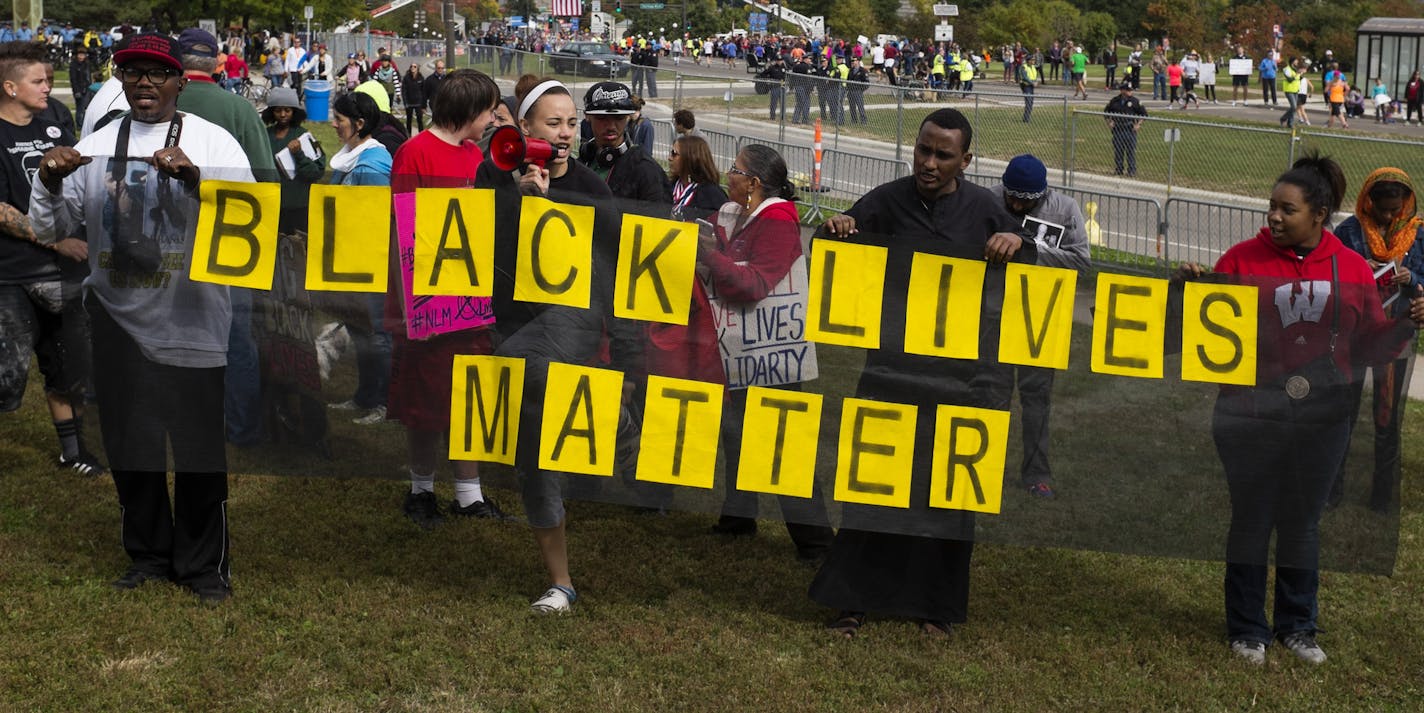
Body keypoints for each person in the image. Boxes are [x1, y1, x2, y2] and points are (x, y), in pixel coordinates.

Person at [1173, 155, 1424, 666]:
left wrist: (1406, 325)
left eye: (1287, 210)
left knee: (1302, 522)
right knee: (1252, 518)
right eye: (1271, 207)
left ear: (1319, 213)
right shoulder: (1241, 260)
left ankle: (1298, 626)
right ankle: (1247, 628)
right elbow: (1199, 338)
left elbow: (1370, 347)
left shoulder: (1352, 268)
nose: (1274, 217)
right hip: (1248, 412)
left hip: (1323, 417)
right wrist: (1185, 295)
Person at [30, 33, 254, 603]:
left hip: (193, 321)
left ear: (181, 81)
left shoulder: (216, 141)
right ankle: (149, 555)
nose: (145, 82)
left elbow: (251, 222)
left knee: (200, 450)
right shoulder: (98, 143)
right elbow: (55, 229)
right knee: (133, 446)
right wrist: (49, 181)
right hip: (118, 320)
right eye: (133, 72)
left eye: (158, 72)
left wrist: (199, 180)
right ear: (121, 80)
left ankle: (204, 566)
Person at [808, 108, 1033, 637]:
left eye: (943, 155)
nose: (929, 163)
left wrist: (1019, 246)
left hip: (960, 380)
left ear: (966, 160)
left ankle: (937, 605)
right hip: (889, 373)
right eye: (923, 150)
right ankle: (852, 599)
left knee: (948, 496)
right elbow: (827, 257)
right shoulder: (884, 202)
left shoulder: (987, 212)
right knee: (873, 488)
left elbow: (1035, 282)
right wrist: (832, 231)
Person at [475, 75, 643, 612]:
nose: (566, 133)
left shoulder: (593, 189)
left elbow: (616, 269)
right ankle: (561, 583)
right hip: (513, 320)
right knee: (534, 459)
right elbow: (481, 245)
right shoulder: (493, 173)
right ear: (523, 127)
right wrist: (519, 202)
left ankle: (610, 413)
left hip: (570, 322)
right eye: (553, 123)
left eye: (572, 122)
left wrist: (626, 348)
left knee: (527, 371)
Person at [386, 70, 506, 527]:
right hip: (427, 304)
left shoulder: (477, 155)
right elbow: (402, 233)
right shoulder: (413, 153)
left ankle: (468, 494)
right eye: (489, 110)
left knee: (469, 395)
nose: (494, 118)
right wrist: (409, 307)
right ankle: (421, 490)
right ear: (470, 110)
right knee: (424, 403)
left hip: (470, 301)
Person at [705, 144, 834, 562]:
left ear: (754, 183)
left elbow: (754, 286)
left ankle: (815, 543)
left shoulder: (777, 221)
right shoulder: (734, 213)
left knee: (782, 448)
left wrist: (708, 256)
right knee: (736, 434)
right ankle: (738, 516)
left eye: (735, 169)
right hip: (743, 351)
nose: (728, 175)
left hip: (772, 358)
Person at [174, 27, 280, 449]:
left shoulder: (163, 103)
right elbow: (264, 177)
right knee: (237, 337)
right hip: (233, 239)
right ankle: (241, 428)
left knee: (174, 332)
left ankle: (185, 420)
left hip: (169, 236)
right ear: (218, 63)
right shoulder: (238, 108)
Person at [0, 40, 99, 476]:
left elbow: (82, 179)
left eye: (47, 79)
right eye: (38, 81)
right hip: (12, 275)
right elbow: (1, 211)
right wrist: (54, 240)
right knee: (7, 375)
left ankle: (73, 453)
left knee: (67, 366)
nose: (48, 88)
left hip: (65, 273)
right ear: (9, 86)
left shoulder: (57, 120)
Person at [988, 155, 1091, 497]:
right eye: (1011, 196)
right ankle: (984, 467)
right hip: (995, 312)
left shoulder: (1064, 209)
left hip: (1043, 317)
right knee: (992, 393)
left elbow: (1081, 259)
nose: (1015, 204)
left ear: (1042, 194)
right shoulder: (987, 200)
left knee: (1036, 400)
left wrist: (1029, 247)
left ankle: (1036, 474)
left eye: (1024, 200)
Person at [1330, 168, 1424, 512]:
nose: (1388, 216)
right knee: (1343, 415)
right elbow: (1331, 270)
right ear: (1368, 202)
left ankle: (1382, 498)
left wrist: (1410, 275)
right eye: (1382, 209)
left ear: (1405, 204)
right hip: (1353, 337)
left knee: (1385, 418)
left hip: (1394, 337)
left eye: (1395, 209)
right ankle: (1332, 490)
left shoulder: (1416, 233)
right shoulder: (1349, 231)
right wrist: (1359, 267)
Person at [325, 92, 395, 431]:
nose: (333, 124)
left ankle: (383, 401)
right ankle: (365, 395)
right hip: (353, 263)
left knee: (376, 336)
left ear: (360, 124)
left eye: (339, 118)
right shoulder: (353, 159)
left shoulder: (370, 168)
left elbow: (378, 223)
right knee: (361, 332)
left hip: (370, 267)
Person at [578, 81, 668, 208]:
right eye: (602, 118)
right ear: (587, 116)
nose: (611, 126)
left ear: (628, 117)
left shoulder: (646, 170)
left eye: (619, 118)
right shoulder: (583, 161)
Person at [262, 87, 324, 234]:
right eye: (278, 111)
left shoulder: (304, 136)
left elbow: (316, 172)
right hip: (270, 204)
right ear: (272, 112)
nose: (283, 115)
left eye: (287, 110)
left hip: (298, 207)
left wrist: (299, 154)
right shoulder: (265, 135)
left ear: (294, 112)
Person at [667, 135, 727, 222]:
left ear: (690, 158)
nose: (669, 158)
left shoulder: (712, 195)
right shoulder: (668, 187)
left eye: (674, 153)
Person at [1105, 80, 1146, 177]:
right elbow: (1106, 112)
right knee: (1118, 151)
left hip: (1129, 129)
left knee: (1130, 151)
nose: (1130, 92)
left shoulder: (1135, 101)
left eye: (1130, 90)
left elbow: (1144, 114)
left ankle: (1131, 170)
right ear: (1122, 90)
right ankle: (1119, 169)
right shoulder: (1114, 101)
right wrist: (1109, 122)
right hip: (1118, 129)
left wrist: (1138, 124)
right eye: (1127, 90)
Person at [68, 45, 93, 125]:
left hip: (87, 88)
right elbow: (73, 79)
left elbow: (89, 76)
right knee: (80, 108)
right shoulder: (73, 65)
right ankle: (79, 124)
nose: (81, 57)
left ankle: (85, 122)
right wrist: (76, 91)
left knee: (87, 107)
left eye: (83, 55)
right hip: (78, 89)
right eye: (80, 55)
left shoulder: (87, 64)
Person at [401, 62, 425, 135]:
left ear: (417, 68)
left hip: (418, 102)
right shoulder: (406, 78)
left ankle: (421, 135)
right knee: (409, 120)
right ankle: (409, 135)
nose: (413, 68)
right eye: (411, 66)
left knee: (419, 120)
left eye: (414, 66)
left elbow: (423, 91)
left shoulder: (421, 77)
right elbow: (404, 90)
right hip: (409, 102)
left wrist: (423, 104)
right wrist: (405, 102)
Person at [846, 56, 869, 124]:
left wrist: (860, 90)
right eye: (853, 61)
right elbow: (848, 80)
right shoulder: (851, 70)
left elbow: (866, 83)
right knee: (852, 107)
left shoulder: (863, 71)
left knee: (860, 106)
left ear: (858, 61)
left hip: (858, 91)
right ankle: (854, 120)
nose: (853, 62)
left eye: (855, 60)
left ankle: (863, 120)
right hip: (850, 91)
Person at [1018, 54, 1039, 122]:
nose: (1034, 61)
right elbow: (1025, 77)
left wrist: (1035, 81)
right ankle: (1026, 119)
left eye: (1034, 60)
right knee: (1029, 102)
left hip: (1031, 86)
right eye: (1032, 60)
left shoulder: (1033, 67)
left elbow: (1034, 75)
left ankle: (1027, 118)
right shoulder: (1024, 67)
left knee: (1031, 102)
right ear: (1029, 60)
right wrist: (1032, 82)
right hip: (1026, 86)